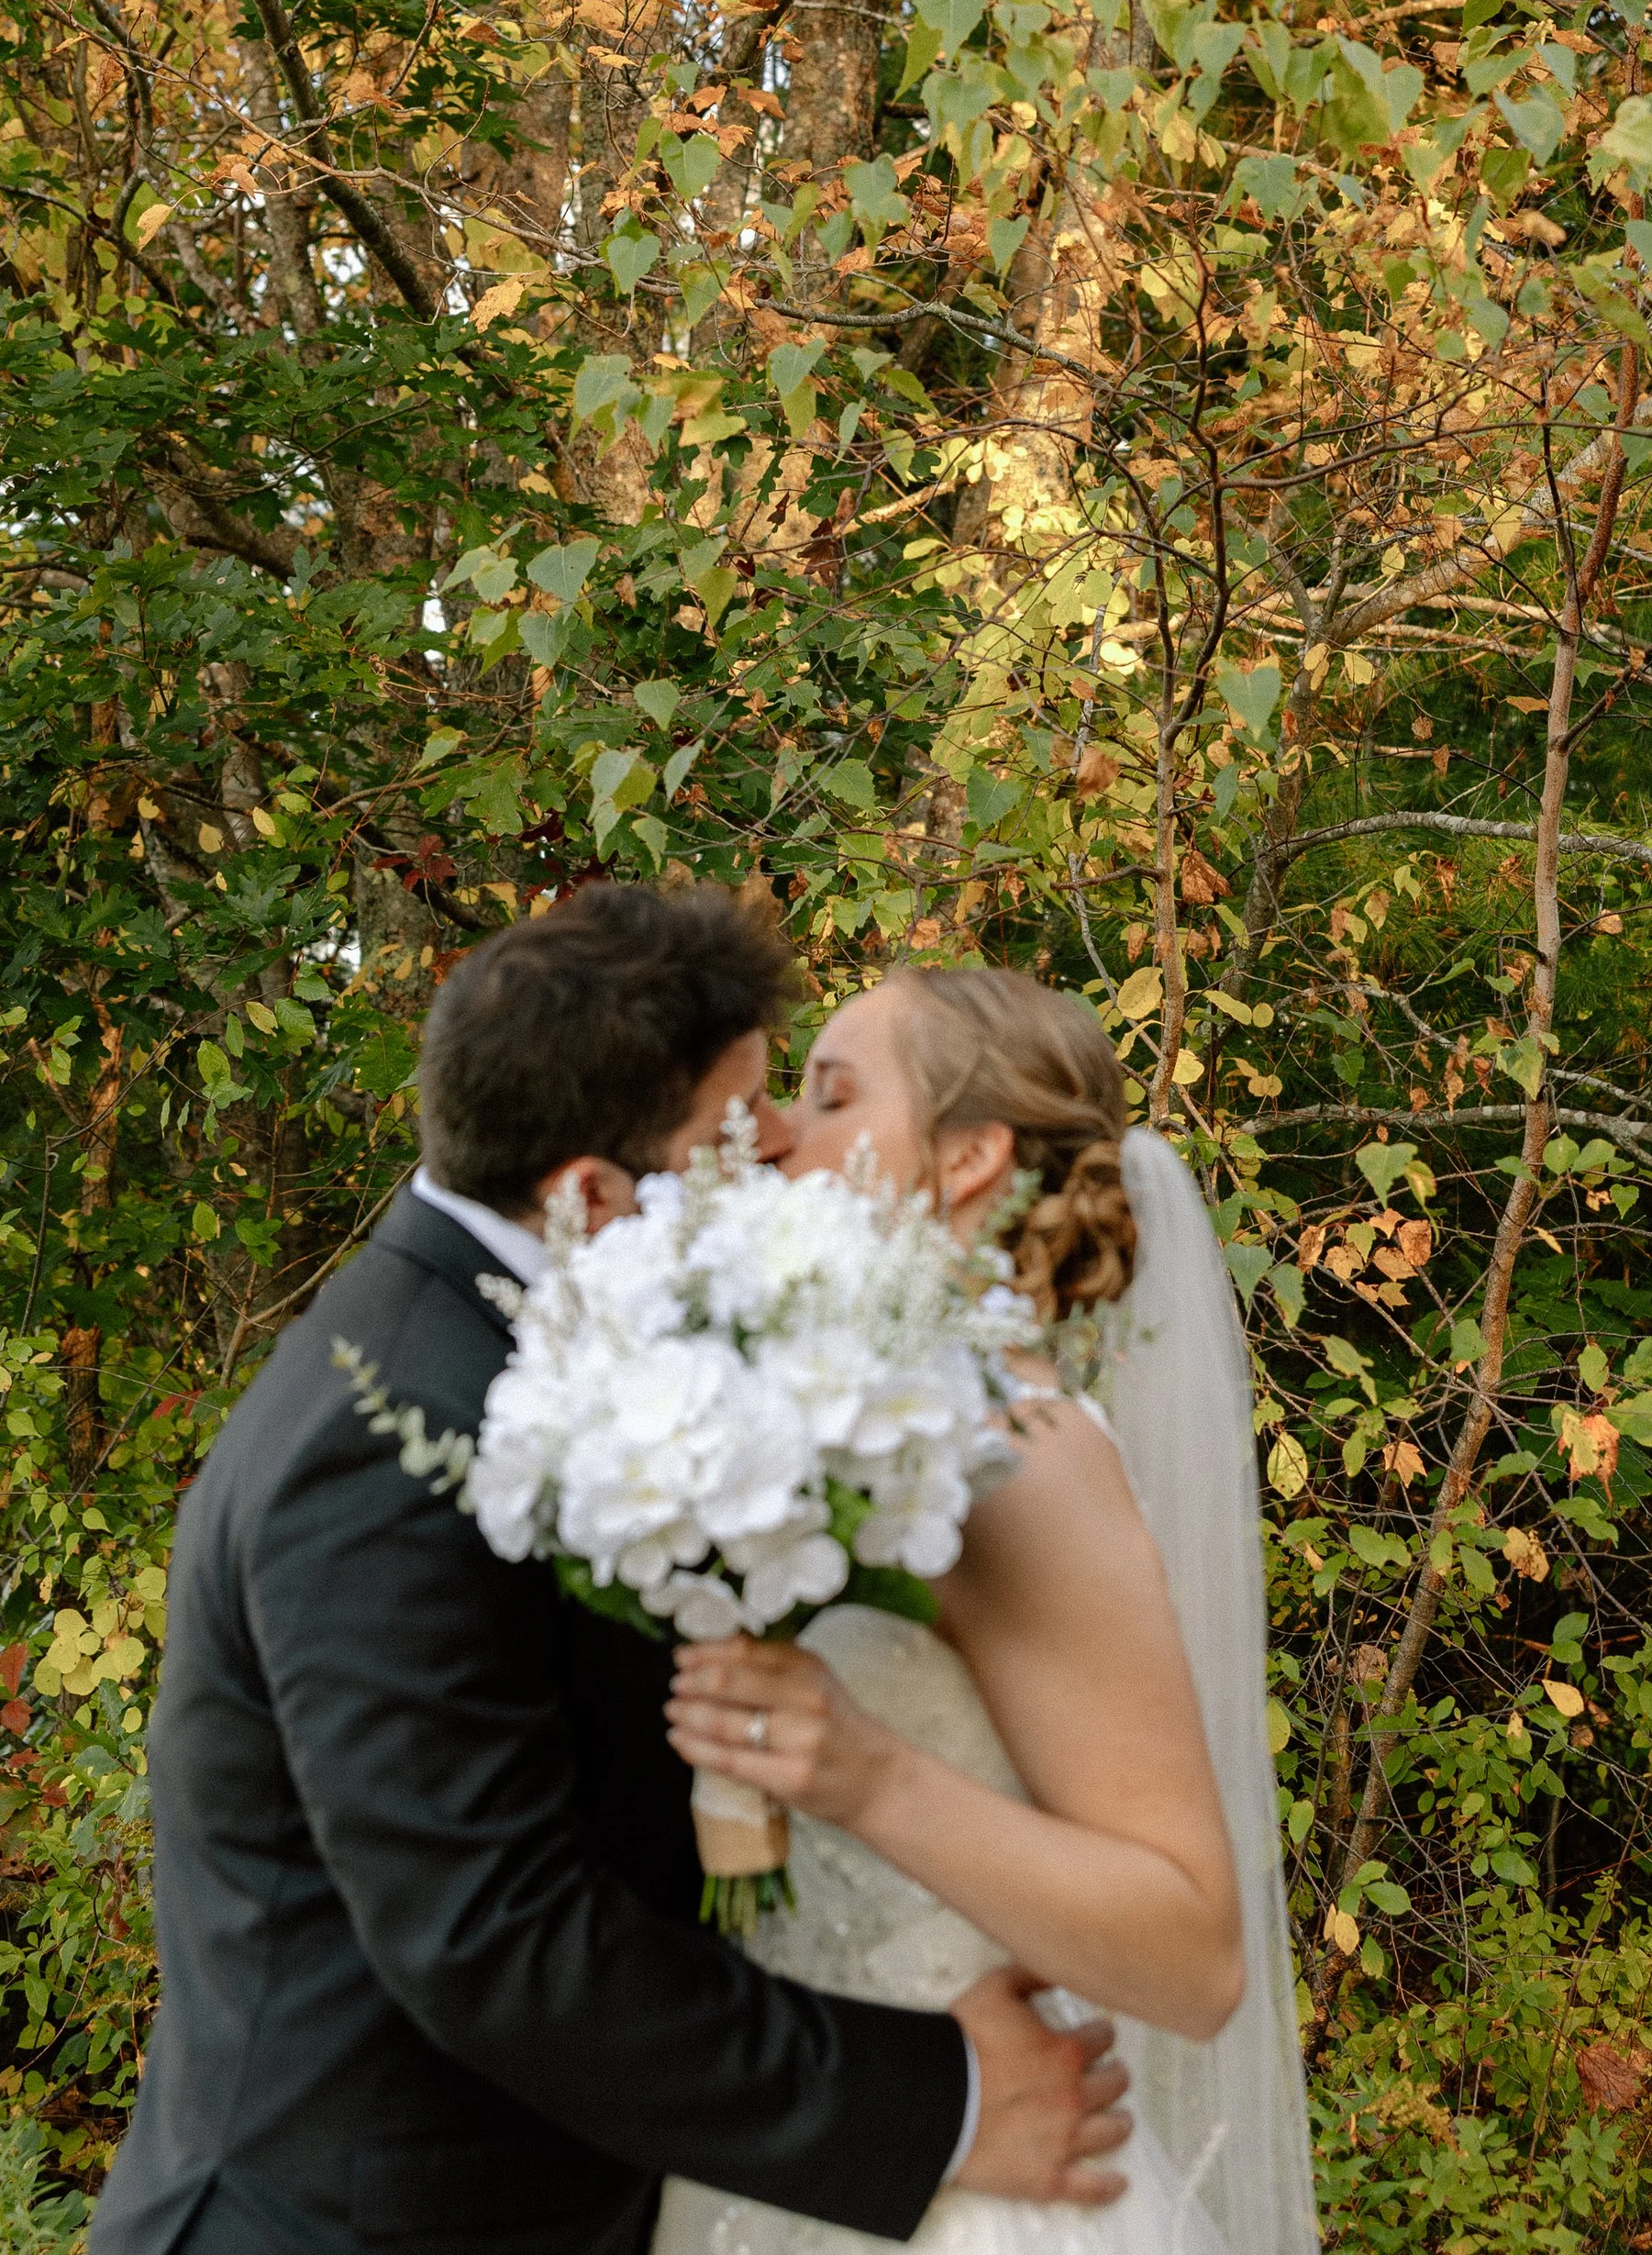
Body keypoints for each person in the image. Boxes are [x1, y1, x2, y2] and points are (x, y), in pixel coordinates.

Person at [93, 887, 1130, 2255]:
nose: (768, 1148)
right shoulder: (395, 1432)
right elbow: (491, 1932)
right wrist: (939, 2100)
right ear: (586, 1192)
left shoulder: (528, 1346)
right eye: (726, 1128)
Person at [657, 965, 1321, 2255]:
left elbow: (1193, 1954)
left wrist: (865, 1773)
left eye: (832, 1094)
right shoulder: (804, 1430)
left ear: (968, 1156)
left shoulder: (1026, 1457)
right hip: (794, 2150)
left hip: (970, 2196)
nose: (782, 1134)